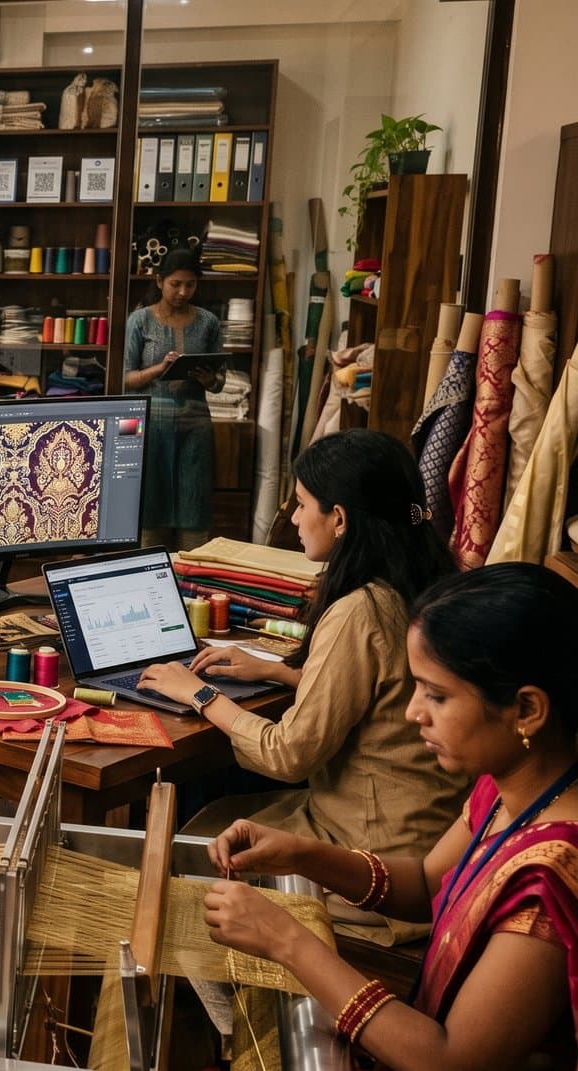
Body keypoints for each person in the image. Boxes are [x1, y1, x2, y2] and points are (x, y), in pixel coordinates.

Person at [200, 563, 578, 1069]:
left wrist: (287, 941)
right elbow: (426, 884)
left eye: (437, 695)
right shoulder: (511, 785)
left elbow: (450, 1060)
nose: (413, 713)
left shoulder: (556, 871)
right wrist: (303, 854)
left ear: (527, 710)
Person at [139, 429, 463, 943]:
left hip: (373, 856)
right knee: (213, 813)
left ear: (340, 517)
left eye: (302, 504)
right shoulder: (427, 580)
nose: (292, 518)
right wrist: (280, 672)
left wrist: (197, 694)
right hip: (427, 833)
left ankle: (235, 1012)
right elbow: (388, 691)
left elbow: (286, 754)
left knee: (190, 847)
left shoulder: (360, 609)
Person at [122, 246, 224, 550]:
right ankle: (150, 574)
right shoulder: (139, 321)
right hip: (150, 424)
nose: (182, 292)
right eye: (175, 284)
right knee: (149, 502)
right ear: (159, 281)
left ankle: (191, 580)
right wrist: (160, 368)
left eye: (190, 285)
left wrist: (208, 379)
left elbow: (219, 383)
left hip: (196, 424)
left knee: (194, 502)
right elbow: (125, 378)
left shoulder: (208, 322)